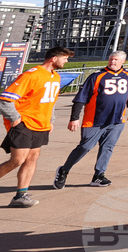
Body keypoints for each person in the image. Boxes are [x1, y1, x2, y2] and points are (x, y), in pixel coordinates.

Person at [0, 47, 74, 208]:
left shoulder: (55, 77)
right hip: (24, 123)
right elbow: (5, 99)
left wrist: (51, 119)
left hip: (42, 125)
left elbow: (50, 101)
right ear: (53, 59)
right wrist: (15, 118)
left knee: (32, 159)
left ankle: (20, 195)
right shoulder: (32, 74)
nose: (66, 61)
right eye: (65, 58)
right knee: (17, 160)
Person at [54, 50, 128, 189]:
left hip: (116, 120)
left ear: (123, 61)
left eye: (116, 60)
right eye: (111, 59)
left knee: (107, 147)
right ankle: (64, 170)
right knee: (85, 147)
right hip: (94, 120)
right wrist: (74, 118)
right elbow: (81, 98)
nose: (112, 62)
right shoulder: (97, 76)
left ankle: (98, 175)